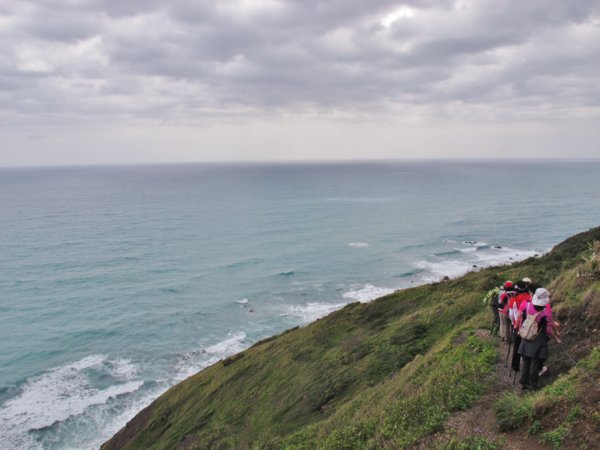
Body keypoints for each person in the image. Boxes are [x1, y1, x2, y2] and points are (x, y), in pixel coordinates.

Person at [517, 288, 561, 391]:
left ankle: (523, 383)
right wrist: (555, 338)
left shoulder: (528, 306)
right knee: (535, 362)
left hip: (526, 337)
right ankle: (532, 385)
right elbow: (548, 329)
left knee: (526, 361)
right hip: (537, 340)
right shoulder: (545, 313)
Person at [508, 281, 531, 372]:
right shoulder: (530, 298)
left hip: (517, 326)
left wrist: (513, 323)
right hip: (529, 326)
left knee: (517, 346)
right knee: (527, 345)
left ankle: (515, 366)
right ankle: (527, 366)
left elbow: (511, 315)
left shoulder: (514, 299)